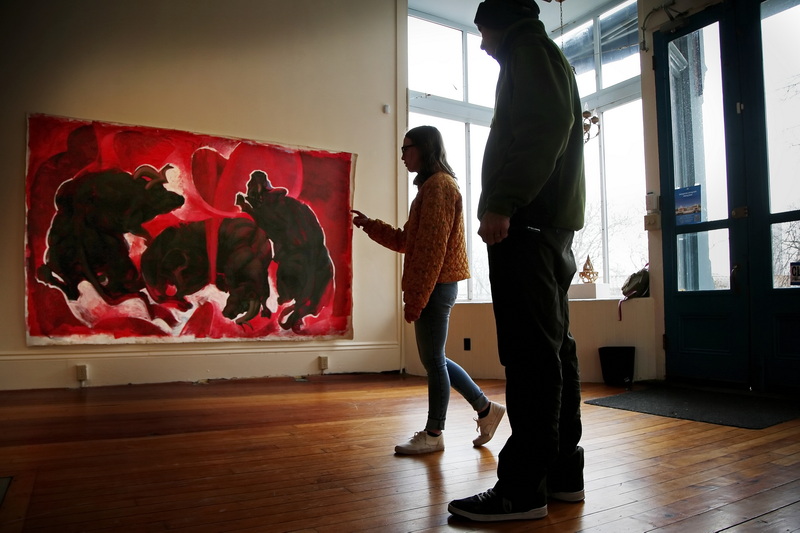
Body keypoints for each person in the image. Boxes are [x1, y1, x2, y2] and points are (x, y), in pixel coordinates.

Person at [447, 0, 586, 522]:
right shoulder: (544, 55)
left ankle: (521, 488)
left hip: (527, 227)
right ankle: (561, 470)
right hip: (545, 227)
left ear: (503, 24)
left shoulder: (529, 52)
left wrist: (502, 200)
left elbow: (546, 125)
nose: (482, 44)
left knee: (530, 357)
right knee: (553, 351)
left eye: (484, 32)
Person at [352, 125, 506, 455]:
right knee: (435, 359)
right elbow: (409, 241)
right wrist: (370, 225)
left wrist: (417, 298)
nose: (403, 155)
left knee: (434, 361)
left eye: (407, 148)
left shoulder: (439, 187)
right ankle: (486, 409)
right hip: (435, 285)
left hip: (436, 285)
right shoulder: (431, 188)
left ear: (424, 148)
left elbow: (433, 251)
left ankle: (434, 434)